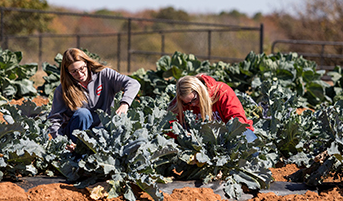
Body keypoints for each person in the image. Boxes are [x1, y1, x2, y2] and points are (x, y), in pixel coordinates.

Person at [47, 48, 141, 147]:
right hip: (76, 137)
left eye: (82, 68)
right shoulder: (62, 90)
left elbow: (133, 83)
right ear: (67, 72)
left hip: (102, 132)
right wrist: (62, 142)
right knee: (82, 113)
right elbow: (54, 120)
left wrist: (125, 104)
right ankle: (78, 151)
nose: (80, 74)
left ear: (87, 63)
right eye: (74, 71)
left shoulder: (104, 75)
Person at [167, 73, 256, 142]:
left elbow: (238, 120)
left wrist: (229, 138)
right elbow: (169, 123)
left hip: (228, 138)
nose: (193, 104)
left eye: (194, 99)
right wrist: (185, 135)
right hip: (204, 143)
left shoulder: (222, 91)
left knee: (250, 143)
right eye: (188, 103)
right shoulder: (182, 102)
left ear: (200, 90)